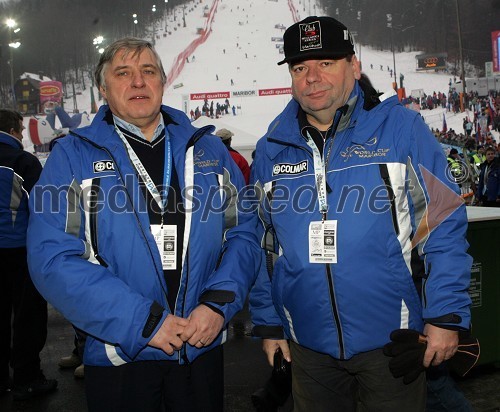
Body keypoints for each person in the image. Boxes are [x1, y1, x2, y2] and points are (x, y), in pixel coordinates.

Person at [249, 16, 472, 411]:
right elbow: (263, 242)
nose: (312, 78)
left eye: (326, 63)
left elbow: (442, 224)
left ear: (353, 66)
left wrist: (445, 315)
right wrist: (270, 323)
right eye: (300, 67)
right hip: (307, 344)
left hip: (392, 340)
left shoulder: (401, 129)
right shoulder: (272, 147)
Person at [27, 38, 260, 411]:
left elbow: (243, 232)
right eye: (124, 73)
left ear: (163, 83)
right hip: (123, 353)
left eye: (148, 72)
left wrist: (217, 305)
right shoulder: (72, 157)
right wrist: (143, 322)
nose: (138, 82)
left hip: (199, 348)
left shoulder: (208, 150)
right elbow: (52, 259)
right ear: (103, 89)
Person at [0, 109, 58, 400]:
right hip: (18, 250)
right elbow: (44, 206)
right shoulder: (22, 161)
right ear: (11, 129)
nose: (23, 135)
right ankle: (27, 377)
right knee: (27, 316)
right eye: (21, 129)